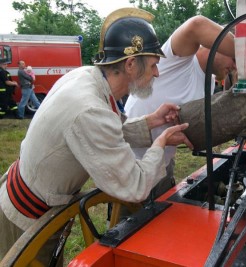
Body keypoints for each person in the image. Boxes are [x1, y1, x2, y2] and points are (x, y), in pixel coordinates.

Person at [0, 7, 193, 265]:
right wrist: (160, 142)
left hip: (24, 201)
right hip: (25, 220)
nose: (157, 73)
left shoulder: (86, 77)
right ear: (131, 64)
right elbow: (134, 186)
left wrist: (151, 122)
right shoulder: (90, 109)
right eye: (154, 65)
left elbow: (106, 133)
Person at [124, 16, 246, 198]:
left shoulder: (209, 82)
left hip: (161, 164)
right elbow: (196, 25)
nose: (236, 66)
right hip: (129, 164)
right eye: (233, 57)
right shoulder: (177, 59)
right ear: (214, 46)